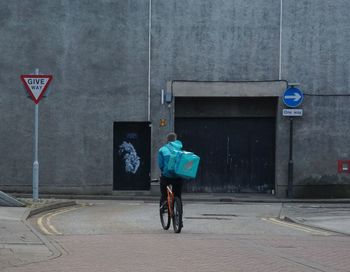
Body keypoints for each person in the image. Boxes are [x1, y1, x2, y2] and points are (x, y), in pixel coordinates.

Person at [158, 132, 183, 204]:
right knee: (178, 194)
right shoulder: (180, 149)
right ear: (175, 140)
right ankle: (179, 210)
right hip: (178, 176)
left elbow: (161, 165)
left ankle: (164, 202)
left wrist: (163, 171)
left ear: (167, 140)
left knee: (164, 194)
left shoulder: (162, 149)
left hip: (167, 176)